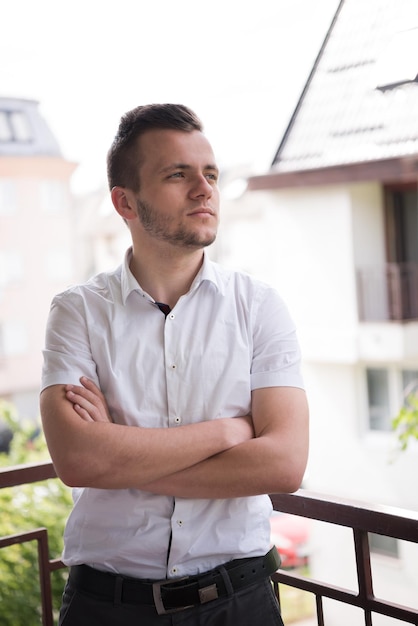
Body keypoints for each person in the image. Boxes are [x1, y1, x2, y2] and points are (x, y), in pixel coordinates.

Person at [40, 103, 309, 626]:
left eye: (209, 173)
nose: (204, 189)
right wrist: (231, 431)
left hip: (241, 602)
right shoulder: (77, 311)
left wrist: (123, 454)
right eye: (176, 174)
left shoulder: (259, 306)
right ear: (125, 202)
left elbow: (283, 464)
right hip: (109, 608)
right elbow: (78, 461)